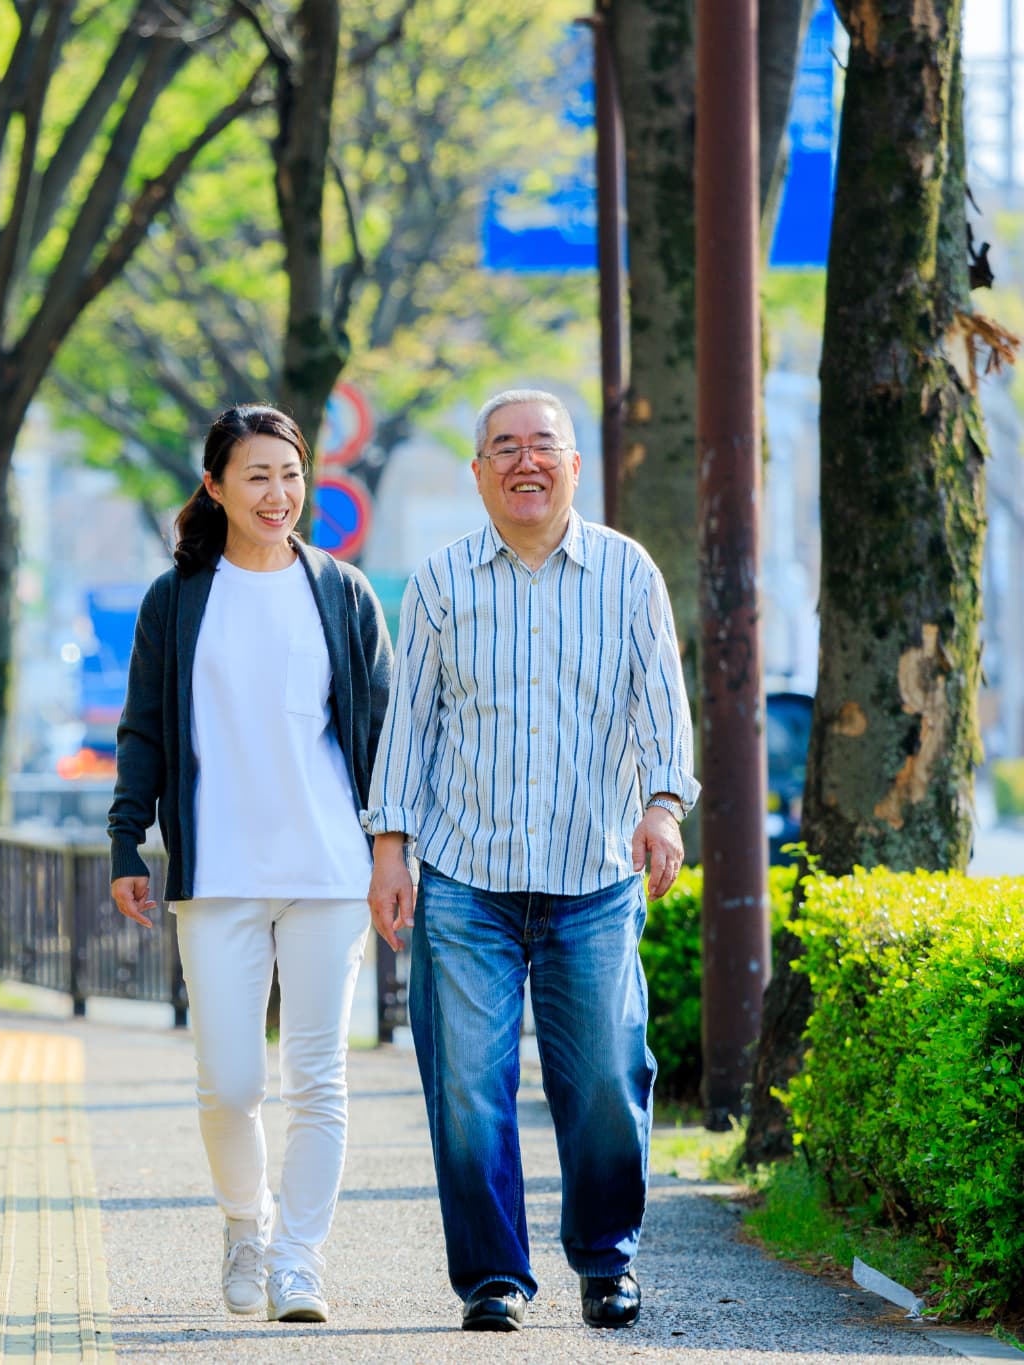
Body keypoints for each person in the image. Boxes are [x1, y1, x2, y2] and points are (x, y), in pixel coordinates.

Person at [362, 389, 698, 1333]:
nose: (524, 461)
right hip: (467, 876)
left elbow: (663, 708)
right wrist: (391, 847)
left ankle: (605, 1258)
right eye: (503, 447)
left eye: (542, 444)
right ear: (477, 472)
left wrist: (663, 808)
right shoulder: (437, 581)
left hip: (593, 874)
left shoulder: (630, 574)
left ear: (573, 466)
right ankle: (493, 1277)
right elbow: (410, 726)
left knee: (603, 1079)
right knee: (467, 1087)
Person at [107, 403, 393, 1324]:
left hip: (328, 870)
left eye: (292, 474)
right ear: (216, 486)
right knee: (229, 1082)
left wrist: (393, 850)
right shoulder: (179, 598)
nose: (279, 494)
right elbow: (143, 727)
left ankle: (300, 1260)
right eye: (258, 476)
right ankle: (246, 1221)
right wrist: (127, 838)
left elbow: (384, 737)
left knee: (319, 1079)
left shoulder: (342, 592)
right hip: (217, 870)